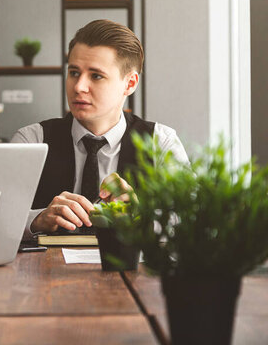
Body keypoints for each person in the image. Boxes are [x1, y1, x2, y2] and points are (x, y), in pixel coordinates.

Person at [11, 19, 188, 235]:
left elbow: (192, 221)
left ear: (130, 84)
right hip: (46, 268)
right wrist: (36, 220)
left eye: (96, 76)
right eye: (74, 72)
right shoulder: (32, 140)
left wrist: (141, 216)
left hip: (132, 269)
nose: (79, 87)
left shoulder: (161, 142)